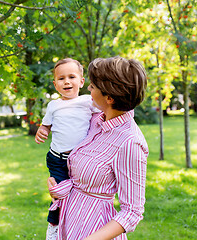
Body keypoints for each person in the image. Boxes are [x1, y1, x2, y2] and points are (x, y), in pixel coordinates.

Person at [47, 56, 149, 240]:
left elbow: (132, 212)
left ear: (109, 98)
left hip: (94, 230)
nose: (88, 89)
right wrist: (60, 184)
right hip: (68, 221)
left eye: (93, 86)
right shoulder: (93, 121)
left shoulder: (130, 142)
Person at [35, 58, 100, 240]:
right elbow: (45, 125)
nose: (66, 82)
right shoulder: (53, 105)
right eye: (61, 78)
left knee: (78, 194)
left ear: (81, 81)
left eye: (71, 77)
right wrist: (42, 131)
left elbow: (103, 113)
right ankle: (54, 225)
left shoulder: (88, 101)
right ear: (55, 84)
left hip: (80, 159)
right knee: (60, 192)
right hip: (57, 158)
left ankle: (77, 224)